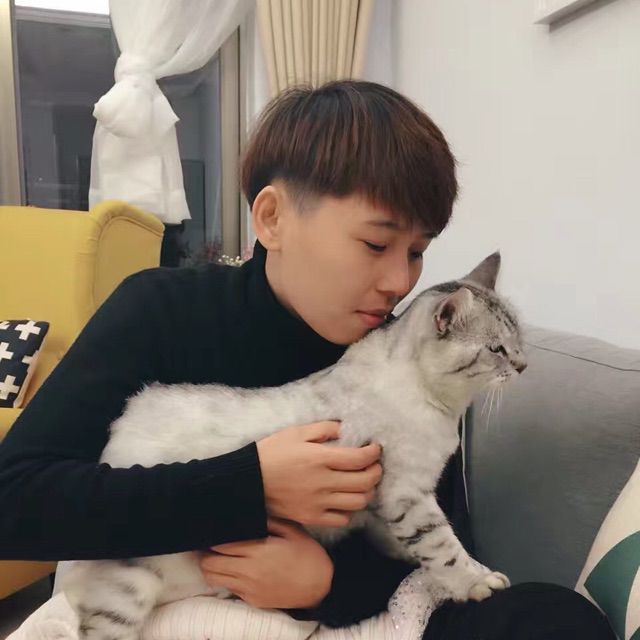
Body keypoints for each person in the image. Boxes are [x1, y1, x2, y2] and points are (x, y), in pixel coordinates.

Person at [0, 80, 615, 639]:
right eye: (375, 243)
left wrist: (325, 583)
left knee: (556, 618)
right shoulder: (159, 308)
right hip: (153, 600)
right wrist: (250, 486)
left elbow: (436, 541)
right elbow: (15, 503)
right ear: (272, 218)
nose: (399, 282)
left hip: (334, 613)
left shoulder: (413, 354)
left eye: (417, 252)